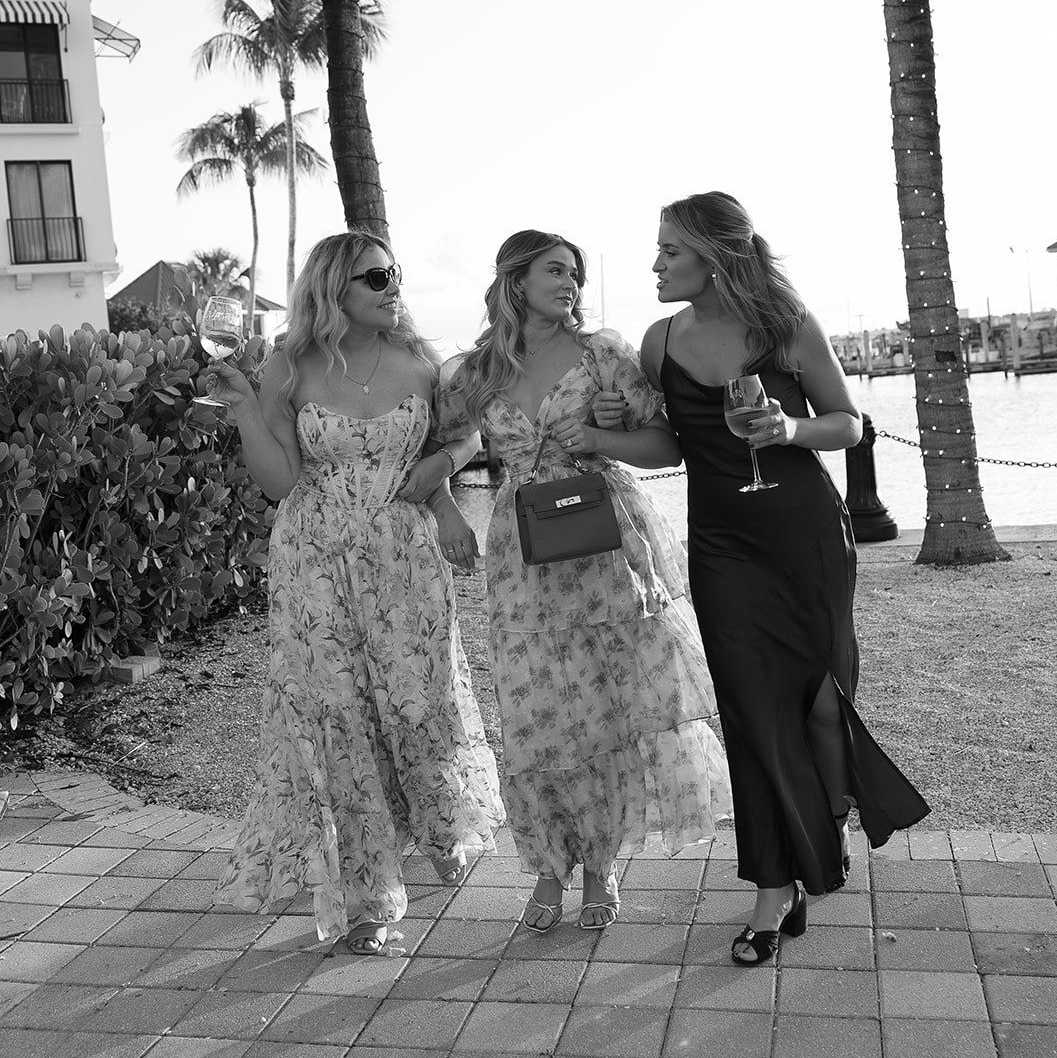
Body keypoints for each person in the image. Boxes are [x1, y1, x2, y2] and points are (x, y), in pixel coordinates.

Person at [596, 191, 928, 965]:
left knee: (819, 702)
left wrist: (789, 428)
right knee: (751, 714)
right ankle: (774, 889)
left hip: (806, 536)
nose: (655, 264)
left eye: (669, 250)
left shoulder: (786, 326)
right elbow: (670, 446)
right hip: (723, 547)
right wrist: (610, 430)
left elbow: (847, 424)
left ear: (715, 258)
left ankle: (824, 826)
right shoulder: (659, 341)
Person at [209, 231, 504, 954]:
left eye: (393, 272)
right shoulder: (289, 366)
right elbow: (280, 483)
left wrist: (440, 478)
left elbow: (467, 438)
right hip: (315, 563)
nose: (391, 285)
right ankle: (370, 895)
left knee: (420, 699)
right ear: (333, 289)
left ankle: (440, 825)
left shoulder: (422, 361)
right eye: (375, 277)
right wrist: (245, 409)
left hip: (405, 558)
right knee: (338, 721)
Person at [432, 229, 732, 932]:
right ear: (516, 280)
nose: (570, 283)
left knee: (604, 708)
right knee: (536, 713)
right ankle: (547, 867)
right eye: (555, 270)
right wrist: (445, 510)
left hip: (604, 540)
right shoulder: (474, 371)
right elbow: (436, 442)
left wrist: (601, 438)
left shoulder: (603, 355)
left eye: (575, 273)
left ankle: (599, 865)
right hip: (522, 552)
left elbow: (666, 446)